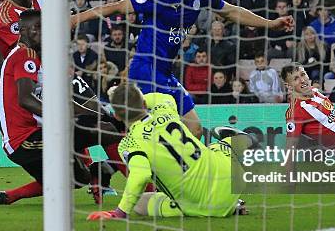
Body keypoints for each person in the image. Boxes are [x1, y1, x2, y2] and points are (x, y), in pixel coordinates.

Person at [72, 0, 294, 138]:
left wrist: (271, 23)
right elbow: (115, 8)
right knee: (151, 136)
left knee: (195, 129)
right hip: (145, 71)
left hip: (166, 73)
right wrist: (74, 20)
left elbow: (231, 11)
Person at [86, 83, 250, 220]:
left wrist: (120, 212)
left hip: (206, 206)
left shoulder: (130, 143)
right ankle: (232, 142)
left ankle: (229, 202)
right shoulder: (165, 110)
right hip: (231, 179)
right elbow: (166, 97)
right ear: (144, 103)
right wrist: (138, 99)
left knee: (139, 204)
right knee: (213, 150)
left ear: (117, 117)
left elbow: (140, 175)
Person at [0, 10, 91, 205]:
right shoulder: (25, 55)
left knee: (76, 177)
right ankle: (141, 191)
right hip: (24, 139)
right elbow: (26, 99)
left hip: (34, 133)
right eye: (40, 28)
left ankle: (11, 195)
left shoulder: (39, 58)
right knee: (104, 128)